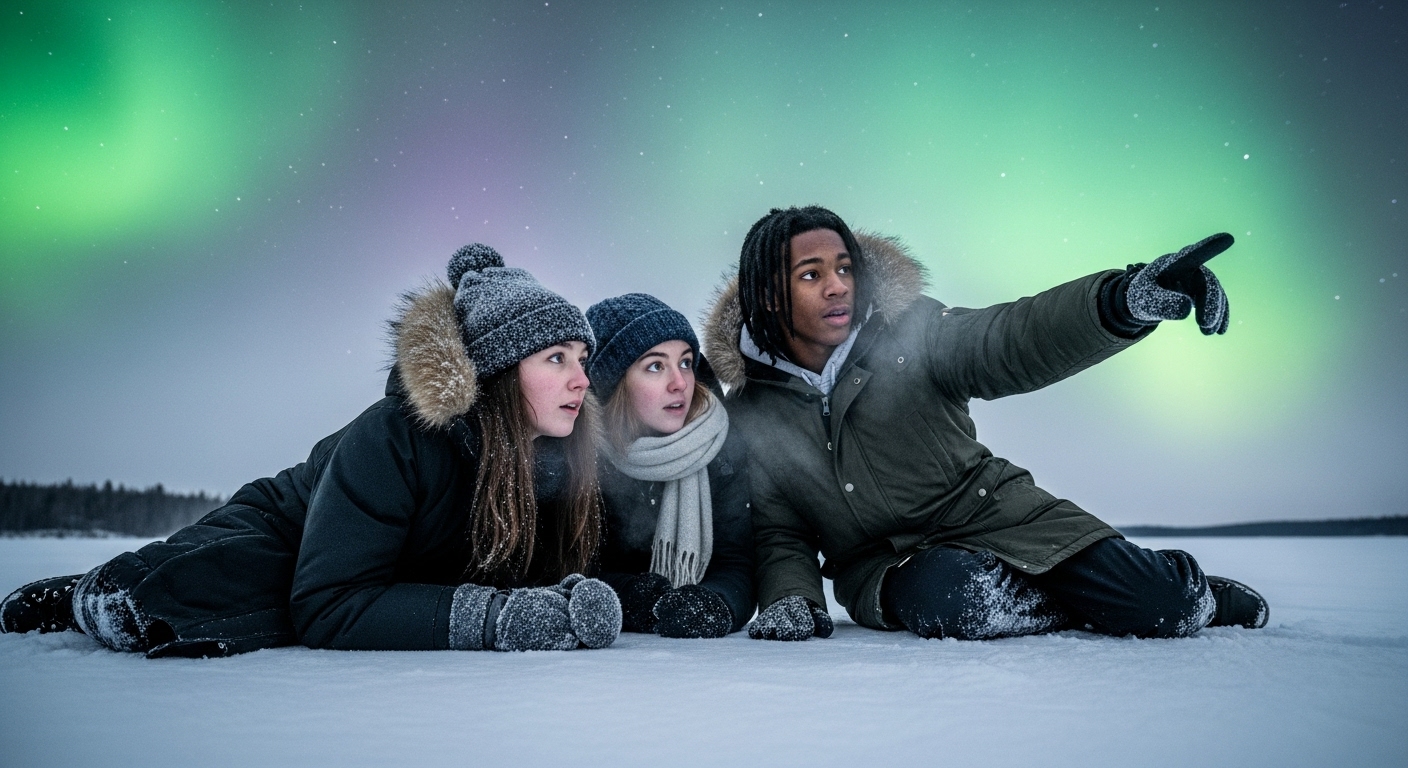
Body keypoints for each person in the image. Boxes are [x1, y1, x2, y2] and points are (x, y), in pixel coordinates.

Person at [0, 244, 622, 657]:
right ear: (497, 370)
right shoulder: (396, 436)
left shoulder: (557, 460)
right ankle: (82, 596)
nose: (580, 379)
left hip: (375, 570)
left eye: (583, 359)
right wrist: (494, 621)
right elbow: (329, 605)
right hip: (288, 532)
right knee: (181, 597)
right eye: (556, 359)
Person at [702, 205, 1269, 642]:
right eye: (811, 275)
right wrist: (793, 599)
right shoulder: (751, 412)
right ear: (771, 296)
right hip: (889, 566)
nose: (838, 286)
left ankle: (1194, 596)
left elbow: (1010, 338)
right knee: (960, 599)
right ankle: (1084, 603)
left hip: (996, 512)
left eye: (844, 268)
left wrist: (1122, 301)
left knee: (1160, 604)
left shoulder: (912, 332)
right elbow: (780, 530)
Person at [585, 294, 755, 638]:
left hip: (699, 672)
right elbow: (569, 568)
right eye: (655, 366)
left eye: (686, 362)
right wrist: (634, 597)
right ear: (613, 382)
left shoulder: (718, 446)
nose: (679, 383)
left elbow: (738, 563)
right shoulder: (581, 455)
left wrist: (716, 602)